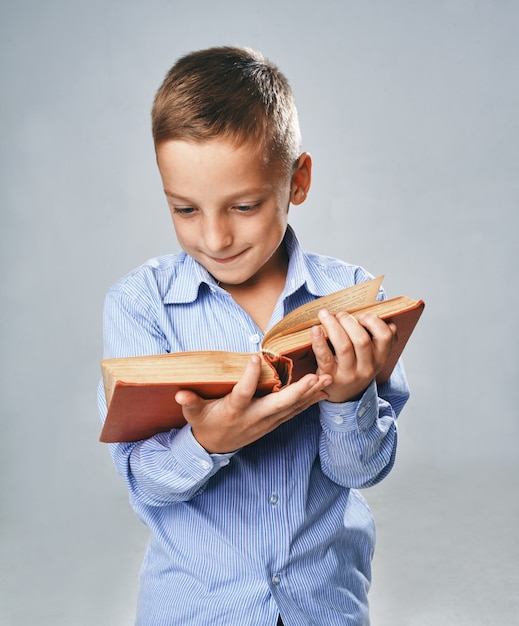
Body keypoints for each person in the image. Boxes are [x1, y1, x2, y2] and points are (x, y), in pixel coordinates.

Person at [98, 46, 410, 626]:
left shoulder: (352, 297)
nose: (214, 237)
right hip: (195, 609)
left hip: (322, 604)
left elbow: (363, 472)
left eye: (243, 205)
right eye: (184, 209)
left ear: (298, 180)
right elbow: (144, 481)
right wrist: (208, 444)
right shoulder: (141, 305)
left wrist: (346, 400)